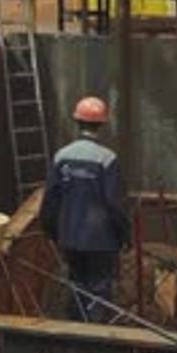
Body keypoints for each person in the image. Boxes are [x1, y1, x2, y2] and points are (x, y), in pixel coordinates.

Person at [39, 96, 131, 322]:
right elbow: (114, 204)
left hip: (70, 238)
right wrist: (124, 235)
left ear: (77, 122)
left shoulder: (62, 157)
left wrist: (51, 230)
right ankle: (97, 338)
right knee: (99, 290)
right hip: (101, 241)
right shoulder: (107, 159)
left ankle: (76, 335)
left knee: (77, 285)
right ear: (102, 124)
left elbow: (51, 199)